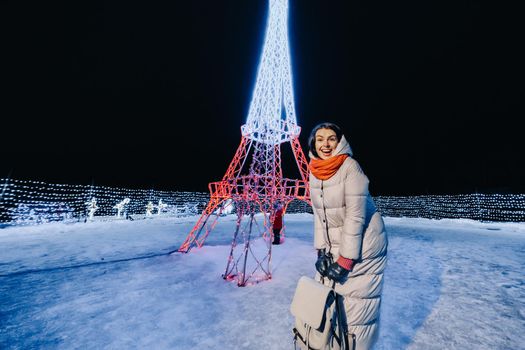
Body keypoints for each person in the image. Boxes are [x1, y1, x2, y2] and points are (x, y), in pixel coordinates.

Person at [308, 122, 388, 350]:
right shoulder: (315, 170)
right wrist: (321, 250)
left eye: (331, 138)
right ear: (313, 143)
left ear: (339, 142)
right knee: (328, 302)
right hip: (338, 244)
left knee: (355, 308)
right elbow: (319, 215)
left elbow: (355, 216)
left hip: (365, 245)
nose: (325, 144)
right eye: (320, 138)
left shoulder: (350, 167)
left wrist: (345, 260)